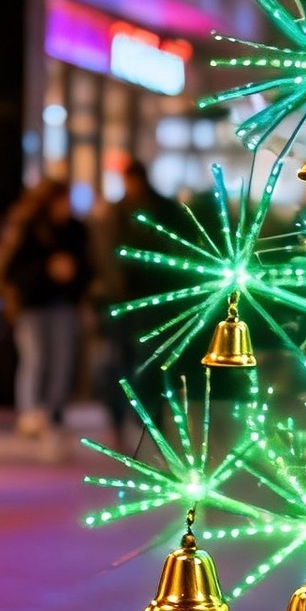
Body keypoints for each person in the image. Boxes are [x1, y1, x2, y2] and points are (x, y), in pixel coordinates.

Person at [95, 158, 179, 431]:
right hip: (127, 298)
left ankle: (142, 416)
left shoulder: (154, 210)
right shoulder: (120, 211)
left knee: (143, 360)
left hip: (147, 297)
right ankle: (126, 416)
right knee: (124, 360)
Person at [7, 180, 91, 442]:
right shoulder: (31, 228)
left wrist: (74, 275)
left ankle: (53, 411)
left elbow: (89, 266)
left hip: (64, 304)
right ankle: (29, 412)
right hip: (33, 305)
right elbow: (13, 269)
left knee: (61, 361)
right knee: (35, 358)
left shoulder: (77, 230)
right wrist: (47, 269)